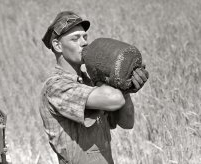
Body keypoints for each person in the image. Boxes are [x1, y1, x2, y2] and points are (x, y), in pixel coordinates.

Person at [39, 11, 149, 164]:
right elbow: (115, 99)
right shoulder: (55, 87)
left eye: (85, 37)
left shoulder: (89, 83)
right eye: (75, 38)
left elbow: (127, 123)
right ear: (58, 46)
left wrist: (126, 87)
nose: (83, 42)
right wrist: (117, 79)